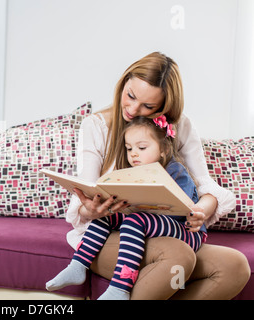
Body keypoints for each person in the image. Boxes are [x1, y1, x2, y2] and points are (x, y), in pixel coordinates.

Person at [61, 52, 250, 299]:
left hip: (165, 229)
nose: (133, 109)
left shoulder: (179, 127)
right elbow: (86, 192)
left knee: (234, 265)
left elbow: (206, 185)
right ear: (124, 82)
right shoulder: (95, 126)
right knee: (178, 255)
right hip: (109, 233)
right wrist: (90, 210)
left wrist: (201, 208)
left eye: (148, 106)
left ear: (164, 106)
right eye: (130, 96)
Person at [46, 116, 207, 300]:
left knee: (135, 220)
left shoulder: (176, 171)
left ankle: (120, 288)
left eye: (142, 148)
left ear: (164, 149)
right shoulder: (135, 173)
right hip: (155, 225)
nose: (134, 154)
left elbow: (183, 207)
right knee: (107, 215)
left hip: (188, 232)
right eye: (129, 148)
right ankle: (78, 265)